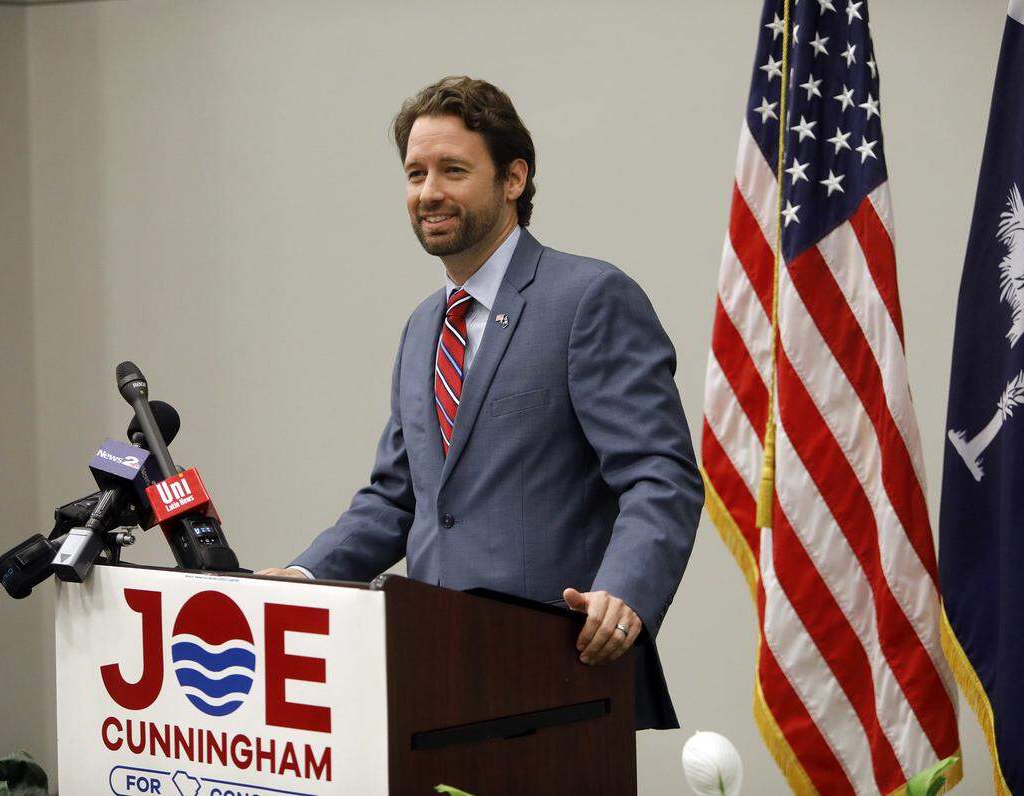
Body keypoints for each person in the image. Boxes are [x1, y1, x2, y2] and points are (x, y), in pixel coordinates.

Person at [258, 76, 703, 729]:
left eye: (452, 170)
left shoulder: (589, 298)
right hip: (432, 676)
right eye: (415, 173)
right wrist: (303, 579)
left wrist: (624, 592)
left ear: (513, 179)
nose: (428, 192)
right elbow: (396, 499)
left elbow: (659, 475)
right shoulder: (421, 329)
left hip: (560, 679)